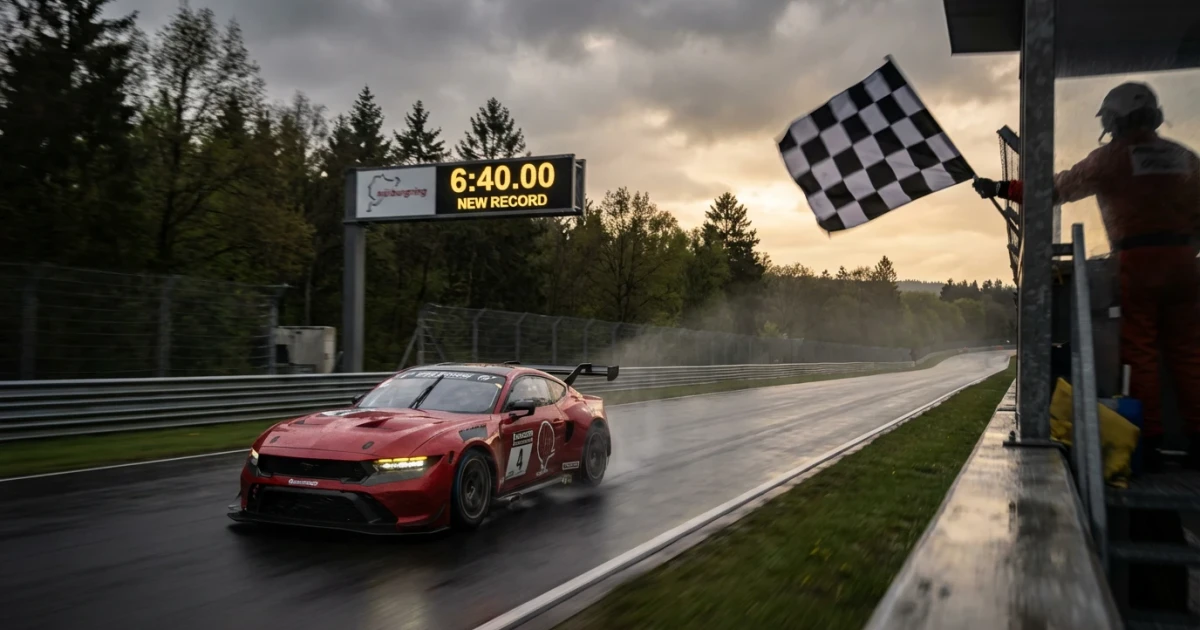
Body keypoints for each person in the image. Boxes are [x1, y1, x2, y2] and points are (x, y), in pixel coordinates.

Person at [973, 82, 1200, 472]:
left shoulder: (1111, 159)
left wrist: (999, 187)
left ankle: (1153, 442)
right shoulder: (1184, 157)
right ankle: (1196, 438)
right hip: (1185, 262)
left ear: (1114, 120)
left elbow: (1053, 189)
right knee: (1190, 353)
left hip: (1137, 261)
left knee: (1140, 352)